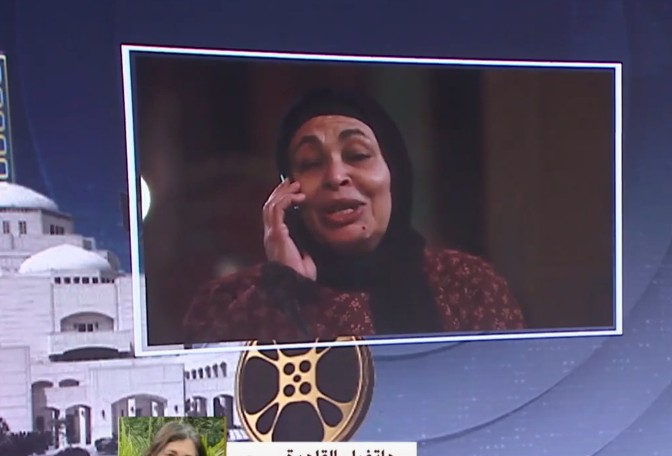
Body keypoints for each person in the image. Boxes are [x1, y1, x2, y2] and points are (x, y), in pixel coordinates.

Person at [182, 88, 525, 344]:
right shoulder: (224, 304)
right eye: (311, 163)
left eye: (358, 155)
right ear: (287, 192)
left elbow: (521, 407)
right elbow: (191, 423)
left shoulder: (466, 284)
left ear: (395, 173)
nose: (335, 176)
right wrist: (285, 292)